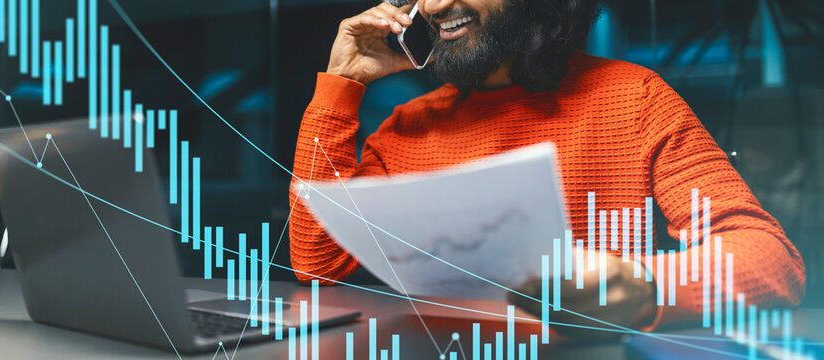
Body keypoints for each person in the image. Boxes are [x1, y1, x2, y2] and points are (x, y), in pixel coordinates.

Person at [287, 0, 805, 335]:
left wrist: (647, 285)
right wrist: (341, 85)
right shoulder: (408, 126)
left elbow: (771, 260)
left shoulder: (636, 98)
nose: (437, 5)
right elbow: (317, 265)